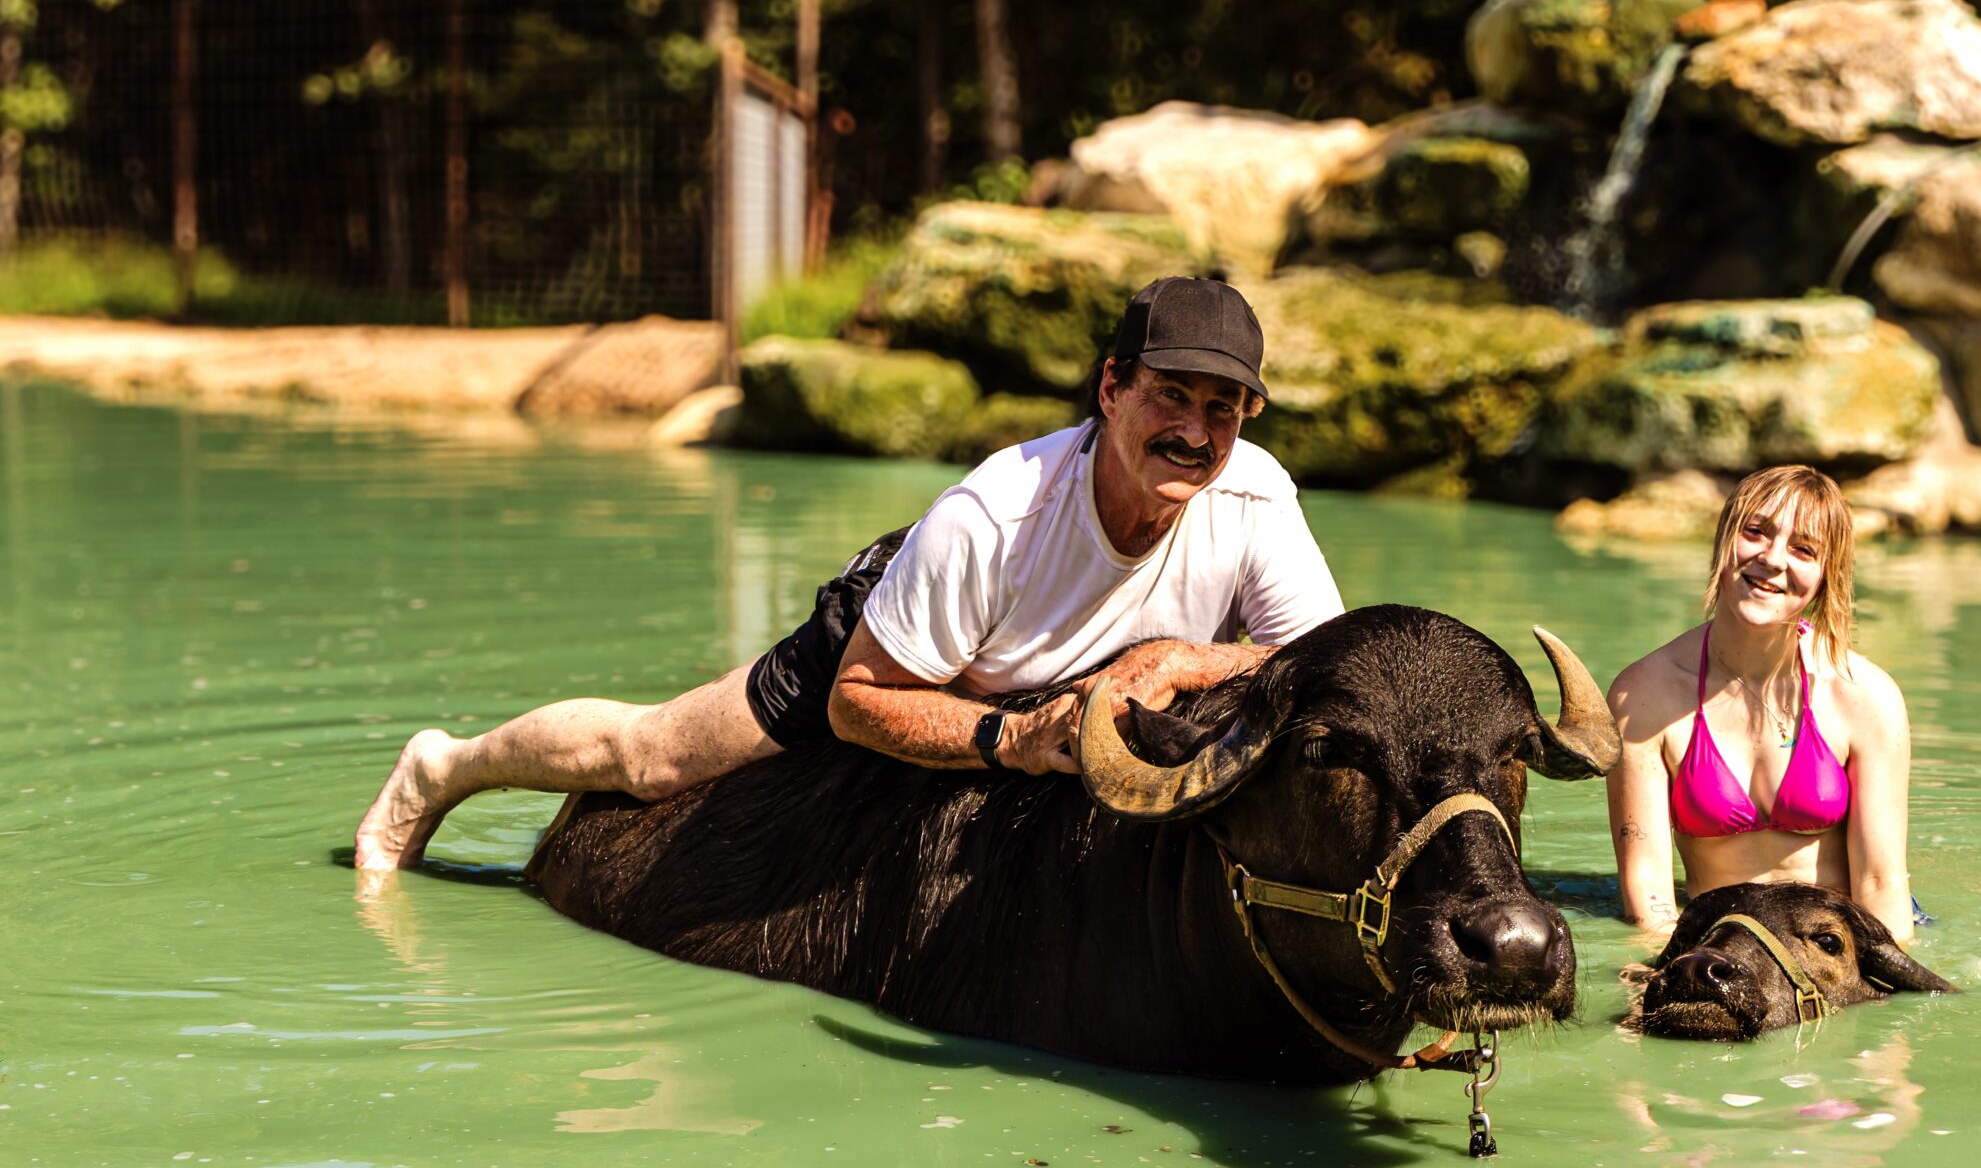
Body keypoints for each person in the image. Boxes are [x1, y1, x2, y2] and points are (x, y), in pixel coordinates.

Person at [353, 276, 1345, 872]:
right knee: (652, 758)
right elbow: (861, 703)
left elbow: (1328, 667)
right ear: (1111, 388)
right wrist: (1007, 735)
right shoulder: (996, 516)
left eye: (1223, 410)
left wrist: (1181, 658)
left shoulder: (1256, 497)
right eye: (1169, 396)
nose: (1194, 432)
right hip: (908, 651)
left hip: (1062, 694)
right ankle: (447, 765)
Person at [1604, 464, 1919, 944]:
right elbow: (1649, 899)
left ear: (1826, 575)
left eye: (1803, 549)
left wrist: (1892, 1008)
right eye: (1756, 532)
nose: (1772, 559)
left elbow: (1880, 884)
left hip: (1835, 944)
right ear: (1724, 538)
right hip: (1723, 941)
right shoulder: (1644, 695)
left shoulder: (1865, 696)